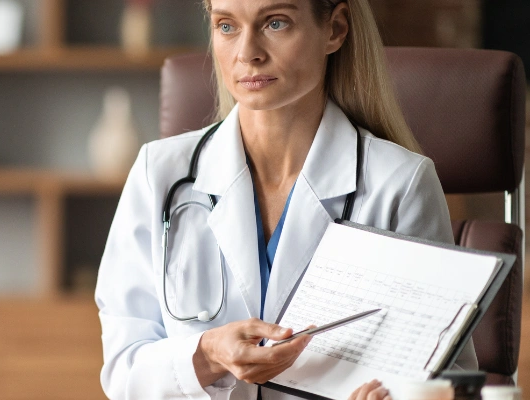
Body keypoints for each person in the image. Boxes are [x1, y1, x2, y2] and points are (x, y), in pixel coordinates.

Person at [95, 0, 476, 399]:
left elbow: (448, 378)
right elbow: (123, 371)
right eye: (226, 26)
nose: (247, 53)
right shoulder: (158, 174)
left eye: (275, 23)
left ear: (335, 30)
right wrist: (207, 354)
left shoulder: (398, 185)